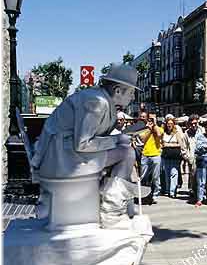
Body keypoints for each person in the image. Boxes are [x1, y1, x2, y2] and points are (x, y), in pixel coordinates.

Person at [31, 63, 141, 218]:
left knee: (124, 147)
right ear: (118, 91)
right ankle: (112, 208)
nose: (133, 97)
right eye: (131, 92)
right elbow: (83, 143)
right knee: (127, 153)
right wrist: (116, 139)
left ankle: (115, 199)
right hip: (60, 159)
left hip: (62, 154)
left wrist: (117, 138)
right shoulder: (97, 102)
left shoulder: (99, 99)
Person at [139, 112, 164, 205]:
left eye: (153, 119)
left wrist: (155, 125)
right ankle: (144, 194)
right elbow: (143, 139)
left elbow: (158, 135)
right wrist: (149, 128)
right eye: (150, 119)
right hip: (145, 154)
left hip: (156, 155)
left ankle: (155, 195)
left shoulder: (160, 128)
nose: (151, 120)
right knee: (143, 176)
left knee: (155, 177)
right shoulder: (144, 129)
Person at [161, 118, 184, 199]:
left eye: (171, 123)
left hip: (175, 155)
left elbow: (181, 144)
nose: (169, 125)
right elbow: (161, 144)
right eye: (168, 123)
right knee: (167, 173)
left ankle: (172, 191)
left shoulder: (176, 133)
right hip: (166, 155)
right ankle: (168, 189)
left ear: (174, 125)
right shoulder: (163, 133)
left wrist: (169, 145)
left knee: (174, 173)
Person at [181, 115, 200, 202]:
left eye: (195, 123)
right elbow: (183, 148)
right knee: (193, 175)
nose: (193, 125)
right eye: (191, 124)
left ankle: (201, 192)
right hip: (192, 157)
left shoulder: (202, 131)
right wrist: (187, 158)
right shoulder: (186, 134)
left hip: (202, 157)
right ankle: (193, 191)